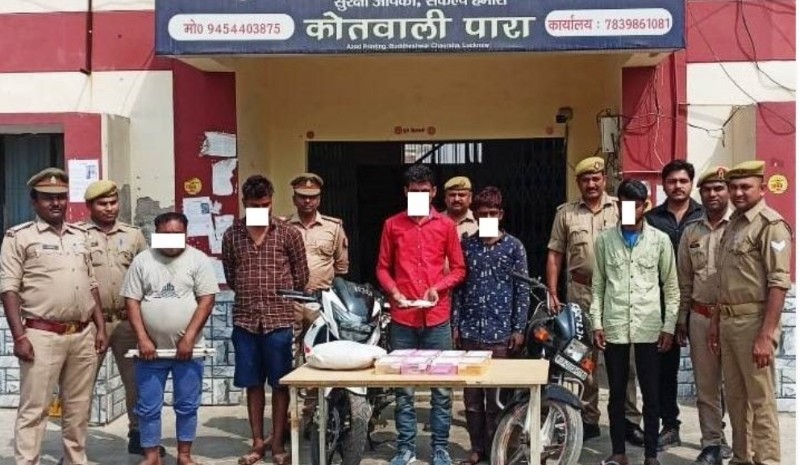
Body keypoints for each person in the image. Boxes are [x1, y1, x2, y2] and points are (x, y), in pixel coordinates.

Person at [0, 168, 108, 465]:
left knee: (78, 409)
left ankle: (75, 460)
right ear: (34, 201)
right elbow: (8, 289)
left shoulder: (80, 236)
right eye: (48, 198)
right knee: (35, 409)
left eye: (61, 196)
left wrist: (100, 327)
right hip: (41, 335)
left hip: (82, 334)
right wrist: (19, 336)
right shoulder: (19, 237)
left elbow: (91, 284)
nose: (56, 203)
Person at [546, 156, 643, 443]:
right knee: (583, 358)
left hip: (617, 292)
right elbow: (555, 254)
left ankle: (628, 419)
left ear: (604, 180)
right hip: (581, 293)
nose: (591, 184)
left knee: (624, 358)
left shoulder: (621, 207)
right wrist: (553, 291)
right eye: (585, 179)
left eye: (596, 178)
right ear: (578, 182)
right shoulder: (566, 213)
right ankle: (588, 418)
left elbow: (639, 241)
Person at [376, 164, 466, 465]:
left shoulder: (446, 226)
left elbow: (459, 269)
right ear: (405, 192)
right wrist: (394, 292)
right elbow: (382, 268)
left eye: (424, 191)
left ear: (433, 192)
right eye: (414, 192)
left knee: (442, 388)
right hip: (403, 317)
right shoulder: (392, 225)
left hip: (437, 317)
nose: (419, 196)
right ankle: (406, 448)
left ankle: (440, 447)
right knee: (404, 388)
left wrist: (438, 288)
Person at [221, 175, 309, 465]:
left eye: (265, 204)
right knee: (253, 383)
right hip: (245, 320)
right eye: (254, 205)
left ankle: (278, 444)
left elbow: (301, 275)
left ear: (272, 202)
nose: (261, 209)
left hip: (279, 320)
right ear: (244, 203)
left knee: (281, 383)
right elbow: (231, 276)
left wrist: (277, 294)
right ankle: (257, 442)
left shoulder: (288, 234)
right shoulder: (232, 235)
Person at [708, 160, 791, 465]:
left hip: (754, 323)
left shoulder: (771, 225)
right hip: (729, 322)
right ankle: (742, 458)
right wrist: (716, 322)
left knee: (761, 401)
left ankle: (768, 460)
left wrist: (766, 335)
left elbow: (778, 283)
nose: (738, 193)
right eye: (733, 187)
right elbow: (724, 280)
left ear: (762, 188)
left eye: (745, 186)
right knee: (736, 399)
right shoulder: (734, 224)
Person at [591, 179, 679, 465]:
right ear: (618, 205)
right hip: (615, 326)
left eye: (636, 205)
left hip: (649, 328)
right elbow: (598, 286)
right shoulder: (605, 240)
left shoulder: (660, 240)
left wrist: (668, 327)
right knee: (616, 395)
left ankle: (651, 455)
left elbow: (671, 287)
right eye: (625, 205)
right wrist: (597, 323)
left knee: (651, 395)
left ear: (645, 207)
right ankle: (619, 452)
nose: (630, 210)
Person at [121, 212, 219, 465]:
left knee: (187, 405)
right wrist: (143, 338)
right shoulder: (142, 261)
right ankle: (152, 456)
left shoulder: (198, 260)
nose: (171, 239)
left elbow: (206, 301)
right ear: (156, 235)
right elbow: (131, 302)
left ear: (186, 234)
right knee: (148, 406)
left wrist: (189, 338)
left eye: (177, 234)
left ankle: (184, 455)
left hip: (189, 351)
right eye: (166, 235)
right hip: (150, 353)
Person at [452, 186, 530, 465]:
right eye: (482, 213)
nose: (487, 218)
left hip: (501, 335)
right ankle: (477, 449)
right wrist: (455, 325)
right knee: (472, 399)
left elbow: (522, 290)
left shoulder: (514, 247)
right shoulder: (466, 247)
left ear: (501, 214)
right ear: (475, 215)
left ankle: (499, 448)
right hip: (470, 332)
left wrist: (518, 329)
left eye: (492, 213)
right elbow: (458, 289)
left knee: (498, 398)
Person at [81, 180, 156, 456]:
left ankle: (139, 436)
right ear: (90, 206)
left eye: (113, 202)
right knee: (81, 385)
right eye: (102, 203)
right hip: (91, 324)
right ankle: (74, 446)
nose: (109, 208)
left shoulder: (134, 235)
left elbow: (147, 276)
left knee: (137, 383)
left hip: (128, 322)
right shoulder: (78, 235)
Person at [644, 159, 704, 449]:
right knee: (664, 371)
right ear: (664, 184)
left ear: (691, 183)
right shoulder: (651, 219)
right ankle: (669, 425)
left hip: (701, 302)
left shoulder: (705, 216)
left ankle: (715, 434)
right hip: (661, 304)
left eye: (683, 181)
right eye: (672, 181)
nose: (678, 186)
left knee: (709, 372)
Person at [676, 167, 733, 465]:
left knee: (736, 386)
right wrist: (681, 319)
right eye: (708, 189)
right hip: (700, 316)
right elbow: (684, 281)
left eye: (719, 188)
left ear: (728, 191)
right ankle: (712, 442)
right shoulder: (691, 232)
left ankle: (743, 441)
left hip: (735, 318)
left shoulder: (740, 227)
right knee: (707, 386)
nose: (713, 194)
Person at [286, 173, 349, 293]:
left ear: (319, 200)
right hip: (291, 295)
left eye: (312, 197)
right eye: (302, 197)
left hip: (323, 296)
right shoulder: (283, 226)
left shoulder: (333, 227)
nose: (307, 201)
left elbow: (341, 267)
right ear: (294, 199)